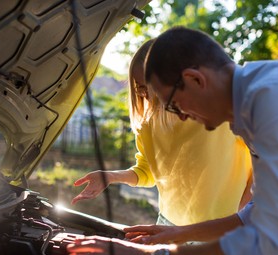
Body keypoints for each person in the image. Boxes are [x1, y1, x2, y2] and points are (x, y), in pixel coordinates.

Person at [67, 26, 278, 255]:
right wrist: (177, 233)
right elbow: (254, 216)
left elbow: (269, 244)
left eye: (173, 104)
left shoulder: (273, 105)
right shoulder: (248, 112)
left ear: (195, 79)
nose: (180, 115)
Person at [71, 39, 252, 227]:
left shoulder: (222, 108)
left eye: (149, 86)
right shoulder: (147, 124)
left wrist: (240, 214)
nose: (143, 94)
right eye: (138, 87)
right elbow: (146, 172)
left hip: (219, 230)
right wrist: (111, 176)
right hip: (168, 224)